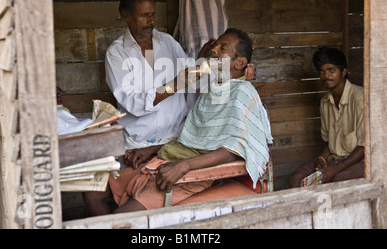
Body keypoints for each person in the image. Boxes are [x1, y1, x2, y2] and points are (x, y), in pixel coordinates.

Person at [83, 28, 273, 216]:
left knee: (120, 218)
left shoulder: (241, 93)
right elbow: (196, 139)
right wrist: (153, 149)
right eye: (215, 45)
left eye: (223, 48)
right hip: (167, 158)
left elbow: (233, 149)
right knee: (92, 191)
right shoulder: (213, 89)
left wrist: (183, 166)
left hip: (188, 174)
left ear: (240, 62)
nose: (213, 50)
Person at [105, 0, 201, 164]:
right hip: (136, 145)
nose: (151, 21)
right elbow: (131, 102)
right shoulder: (116, 54)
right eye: (144, 15)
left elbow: (192, 76)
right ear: (126, 15)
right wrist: (174, 85)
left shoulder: (168, 42)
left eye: (153, 14)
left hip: (174, 140)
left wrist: (204, 62)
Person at [288, 47, 365, 188]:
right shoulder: (325, 102)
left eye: (331, 70)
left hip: (359, 163)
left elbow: (363, 147)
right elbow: (329, 142)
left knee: (333, 183)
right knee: (295, 179)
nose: (326, 76)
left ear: (344, 72)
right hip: (333, 160)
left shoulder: (360, 98)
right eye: (322, 72)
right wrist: (321, 158)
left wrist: (335, 169)